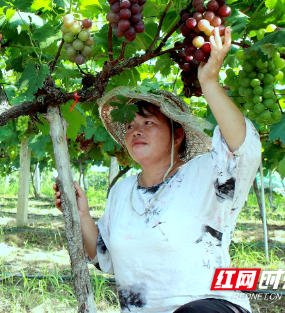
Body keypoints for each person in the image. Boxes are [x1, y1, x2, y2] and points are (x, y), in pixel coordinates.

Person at [54, 27, 261, 313]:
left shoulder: (205, 174)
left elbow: (242, 149)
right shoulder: (122, 191)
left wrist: (209, 82)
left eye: (148, 123)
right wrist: (82, 215)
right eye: (130, 126)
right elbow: (103, 257)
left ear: (177, 136)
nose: (136, 131)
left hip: (212, 307)